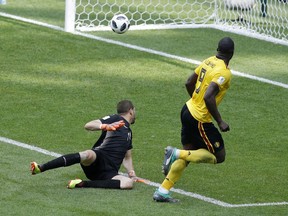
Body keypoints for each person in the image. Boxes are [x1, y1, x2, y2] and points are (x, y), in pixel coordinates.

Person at [153, 37, 235, 202]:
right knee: (219, 156)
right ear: (232, 53)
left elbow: (189, 82)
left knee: (190, 153)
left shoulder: (209, 61)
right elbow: (208, 96)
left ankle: (162, 191)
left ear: (217, 49)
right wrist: (220, 121)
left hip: (187, 110)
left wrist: (195, 101)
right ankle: (175, 153)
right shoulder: (224, 72)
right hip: (199, 119)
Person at [31, 99, 138, 190]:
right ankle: (41, 168)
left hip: (109, 172)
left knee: (128, 183)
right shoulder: (115, 119)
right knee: (87, 154)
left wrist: (131, 172)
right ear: (131, 111)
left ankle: (81, 183)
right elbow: (88, 125)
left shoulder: (129, 133)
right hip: (97, 160)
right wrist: (104, 126)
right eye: (134, 110)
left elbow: (127, 157)